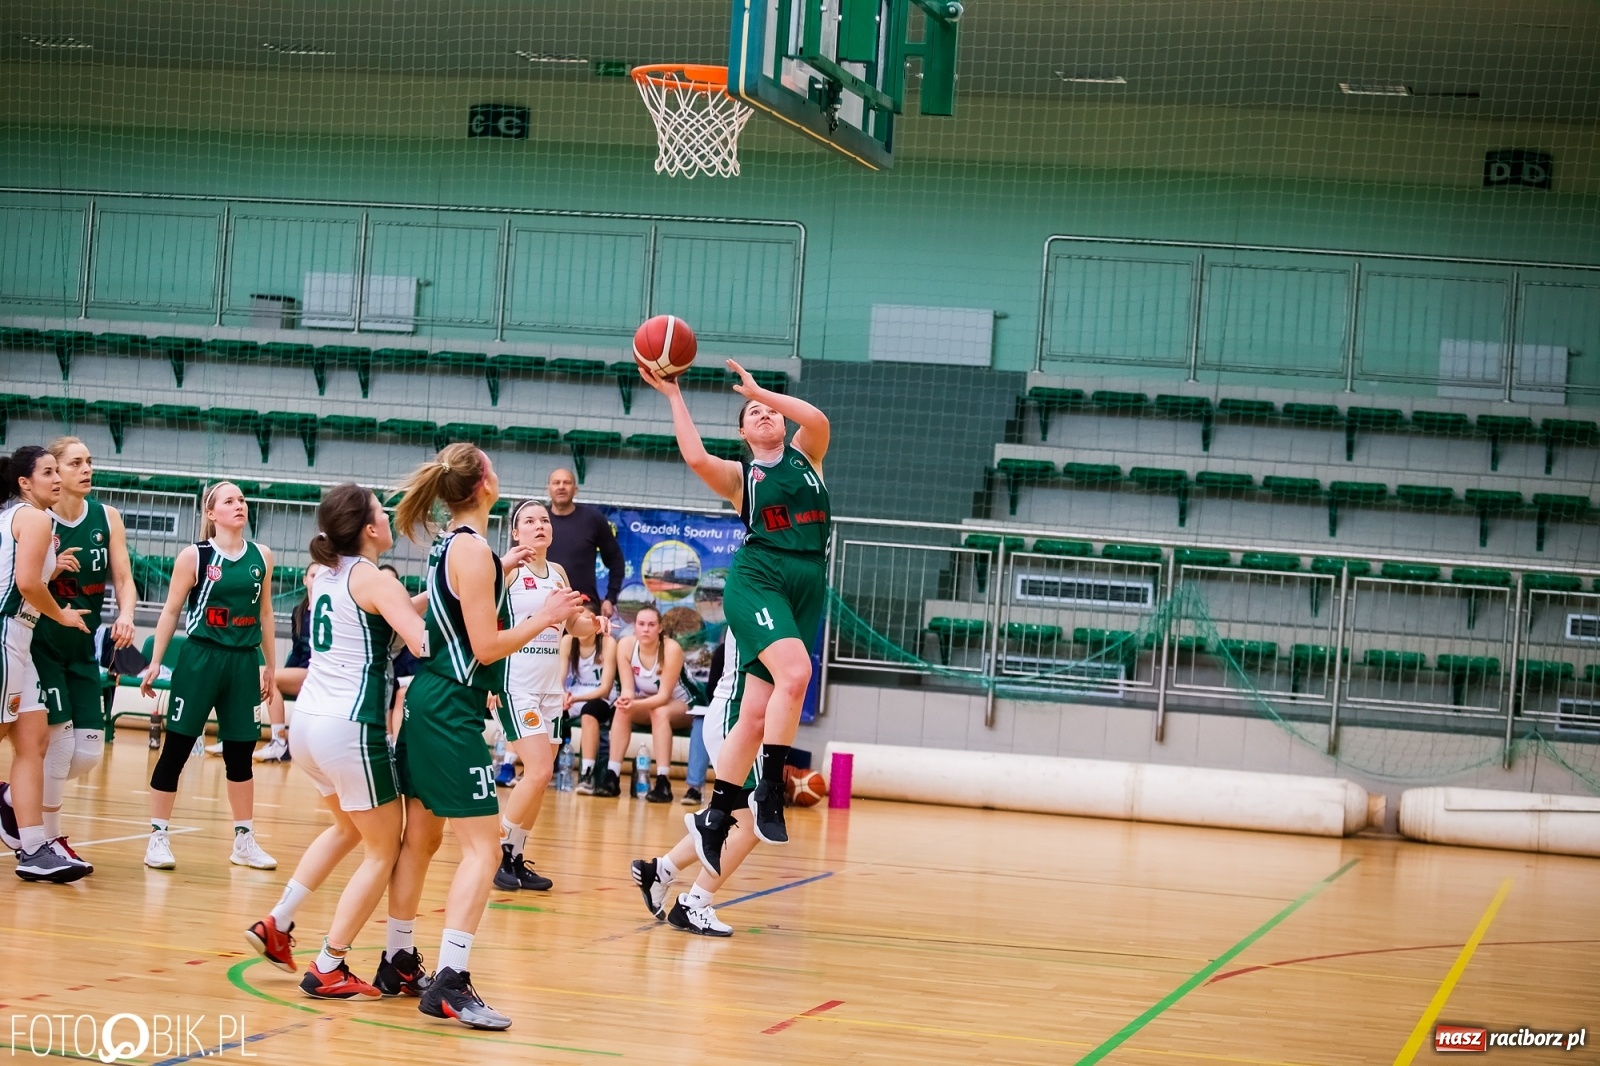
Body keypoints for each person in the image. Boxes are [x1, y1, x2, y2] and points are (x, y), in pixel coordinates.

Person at [381, 444, 580, 1030]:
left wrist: (505, 569)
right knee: (484, 849)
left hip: (428, 700)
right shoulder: (474, 552)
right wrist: (544, 616)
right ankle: (451, 979)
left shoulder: (463, 546)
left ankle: (397, 957)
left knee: (421, 839)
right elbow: (487, 647)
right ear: (485, 484)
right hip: (450, 708)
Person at [638, 357, 830, 869]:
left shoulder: (807, 456)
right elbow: (697, 457)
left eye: (769, 409)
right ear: (743, 432)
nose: (763, 413)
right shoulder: (742, 475)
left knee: (756, 710)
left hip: (808, 580)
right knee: (797, 674)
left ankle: (718, 814)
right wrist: (675, 396)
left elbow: (819, 420)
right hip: (761, 576)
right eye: (752, 412)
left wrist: (761, 389)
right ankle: (768, 787)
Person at [243, 483, 428, 1000]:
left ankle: (278, 922)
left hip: (308, 725)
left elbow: (384, 617)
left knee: (347, 828)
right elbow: (420, 639)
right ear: (370, 529)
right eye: (382, 513)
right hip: (351, 728)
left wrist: (440, 594)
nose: (389, 518)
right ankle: (330, 963)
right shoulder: (374, 578)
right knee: (383, 848)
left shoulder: (326, 572)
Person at [139, 481, 278, 871]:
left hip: (243, 662)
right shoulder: (194, 556)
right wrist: (156, 662)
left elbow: (266, 614)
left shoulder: (261, 556)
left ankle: (244, 840)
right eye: (229, 501)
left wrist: (270, 664)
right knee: (177, 749)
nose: (239, 505)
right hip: (201, 659)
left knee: (241, 756)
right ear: (211, 513)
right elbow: (170, 612)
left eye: (242, 500)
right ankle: (157, 836)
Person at [28, 438, 138, 874]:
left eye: (89, 461)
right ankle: (51, 839)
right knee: (57, 746)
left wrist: (126, 614)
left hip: (84, 646)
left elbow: (125, 578)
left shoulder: (107, 517)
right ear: (54, 472)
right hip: (43, 644)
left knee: (88, 753)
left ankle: (14, 799)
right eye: (76, 463)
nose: (86, 469)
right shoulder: (36, 520)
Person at [0, 446, 92, 883]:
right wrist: (63, 614)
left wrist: (50, 576)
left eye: (60, 471)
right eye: (49, 472)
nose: (57, 479)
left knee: (33, 741)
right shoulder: (33, 518)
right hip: (7, 634)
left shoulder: (22, 518)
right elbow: (24, 583)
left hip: (21, 639)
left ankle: (34, 847)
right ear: (24, 482)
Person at [631, 630, 760, 936]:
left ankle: (660, 871)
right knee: (751, 821)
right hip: (736, 718)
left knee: (738, 818)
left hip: (740, 718)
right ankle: (694, 905)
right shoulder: (759, 604)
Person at [492, 498, 581, 893]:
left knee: (540, 779)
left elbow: (575, 627)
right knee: (540, 769)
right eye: (529, 521)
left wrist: (590, 623)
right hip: (516, 685)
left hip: (550, 688)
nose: (539, 525)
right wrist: (489, 679)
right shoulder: (507, 571)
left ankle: (515, 854)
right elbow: (485, 624)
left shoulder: (558, 572)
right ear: (515, 532)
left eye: (544, 520)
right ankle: (498, 850)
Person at [612, 604, 691, 803]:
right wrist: (626, 701)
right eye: (641, 624)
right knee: (621, 710)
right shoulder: (625, 645)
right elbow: (628, 690)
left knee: (660, 712)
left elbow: (664, 696)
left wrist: (634, 705)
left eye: (651, 624)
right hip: (649, 703)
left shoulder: (671, 648)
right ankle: (612, 775)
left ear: (660, 628)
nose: (646, 629)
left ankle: (663, 781)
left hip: (682, 703)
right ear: (634, 626)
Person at [544, 468, 624, 626]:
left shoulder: (593, 519)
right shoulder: (538, 520)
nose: (561, 486)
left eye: (566, 482)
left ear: (576, 489)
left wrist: (610, 598)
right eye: (556, 483)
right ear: (548, 489)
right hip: (543, 606)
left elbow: (616, 560)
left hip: (583, 605)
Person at [565, 605, 618, 796]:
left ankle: (586, 774)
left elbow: (604, 689)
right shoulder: (567, 641)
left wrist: (575, 697)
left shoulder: (607, 643)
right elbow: (558, 680)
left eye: (586, 620)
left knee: (589, 712)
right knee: (550, 708)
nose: (581, 625)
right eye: (577, 620)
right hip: (574, 696)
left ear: (596, 624)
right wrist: (562, 696)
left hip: (603, 698)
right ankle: (543, 769)